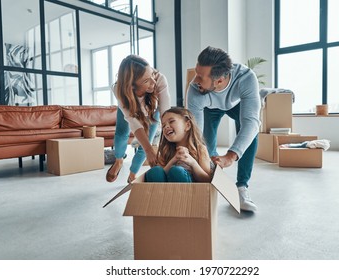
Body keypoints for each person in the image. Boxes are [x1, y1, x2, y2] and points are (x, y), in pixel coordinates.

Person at [187, 46, 261, 212]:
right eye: (196, 72)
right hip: (210, 107)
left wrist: (230, 156)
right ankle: (211, 178)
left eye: (200, 76)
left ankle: (242, 187)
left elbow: (251, 122)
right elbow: (195, 132)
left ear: (219, 80)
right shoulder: (195, 89)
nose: (194, 79)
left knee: (251, 133)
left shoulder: (246, 78)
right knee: (206, 145)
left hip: (237, 103)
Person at [106, 54, 170, 183]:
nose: (154, 81)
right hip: (130, 108)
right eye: (146, 81)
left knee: (147, 143)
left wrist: (170, 147)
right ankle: (118, 160)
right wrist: (149, 150)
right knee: (121, 134)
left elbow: (166, 115)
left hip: (152, 109)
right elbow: (133, 122)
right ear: (132, 86)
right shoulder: (118, 89)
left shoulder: (160, 79)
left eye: (152, 74)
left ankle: (133, 173)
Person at [145, 107, 212, 183]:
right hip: (166, 192)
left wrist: (192, 162)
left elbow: (207, 180)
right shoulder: (166, 151)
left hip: (191, 192)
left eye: (171, 121)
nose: (166, 127)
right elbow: (160, 176)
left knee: (176, 171)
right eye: (163, 125)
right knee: (155, 171)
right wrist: (174, 160)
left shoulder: (200, 149)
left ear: (188, 125)